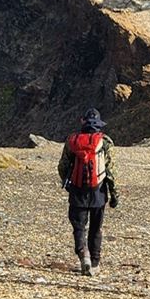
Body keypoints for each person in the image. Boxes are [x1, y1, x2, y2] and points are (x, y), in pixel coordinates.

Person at [57, 108, 118, 276]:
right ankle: (95, 264)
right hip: (98, 191)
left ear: (83, 121)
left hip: (77, 189)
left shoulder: (72, 141)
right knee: (96, 228)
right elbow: (111, 171)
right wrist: (114, 195)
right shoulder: (104, 142)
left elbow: (62, 166)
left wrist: (67, 182)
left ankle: (83, 254)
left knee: (79, 226)